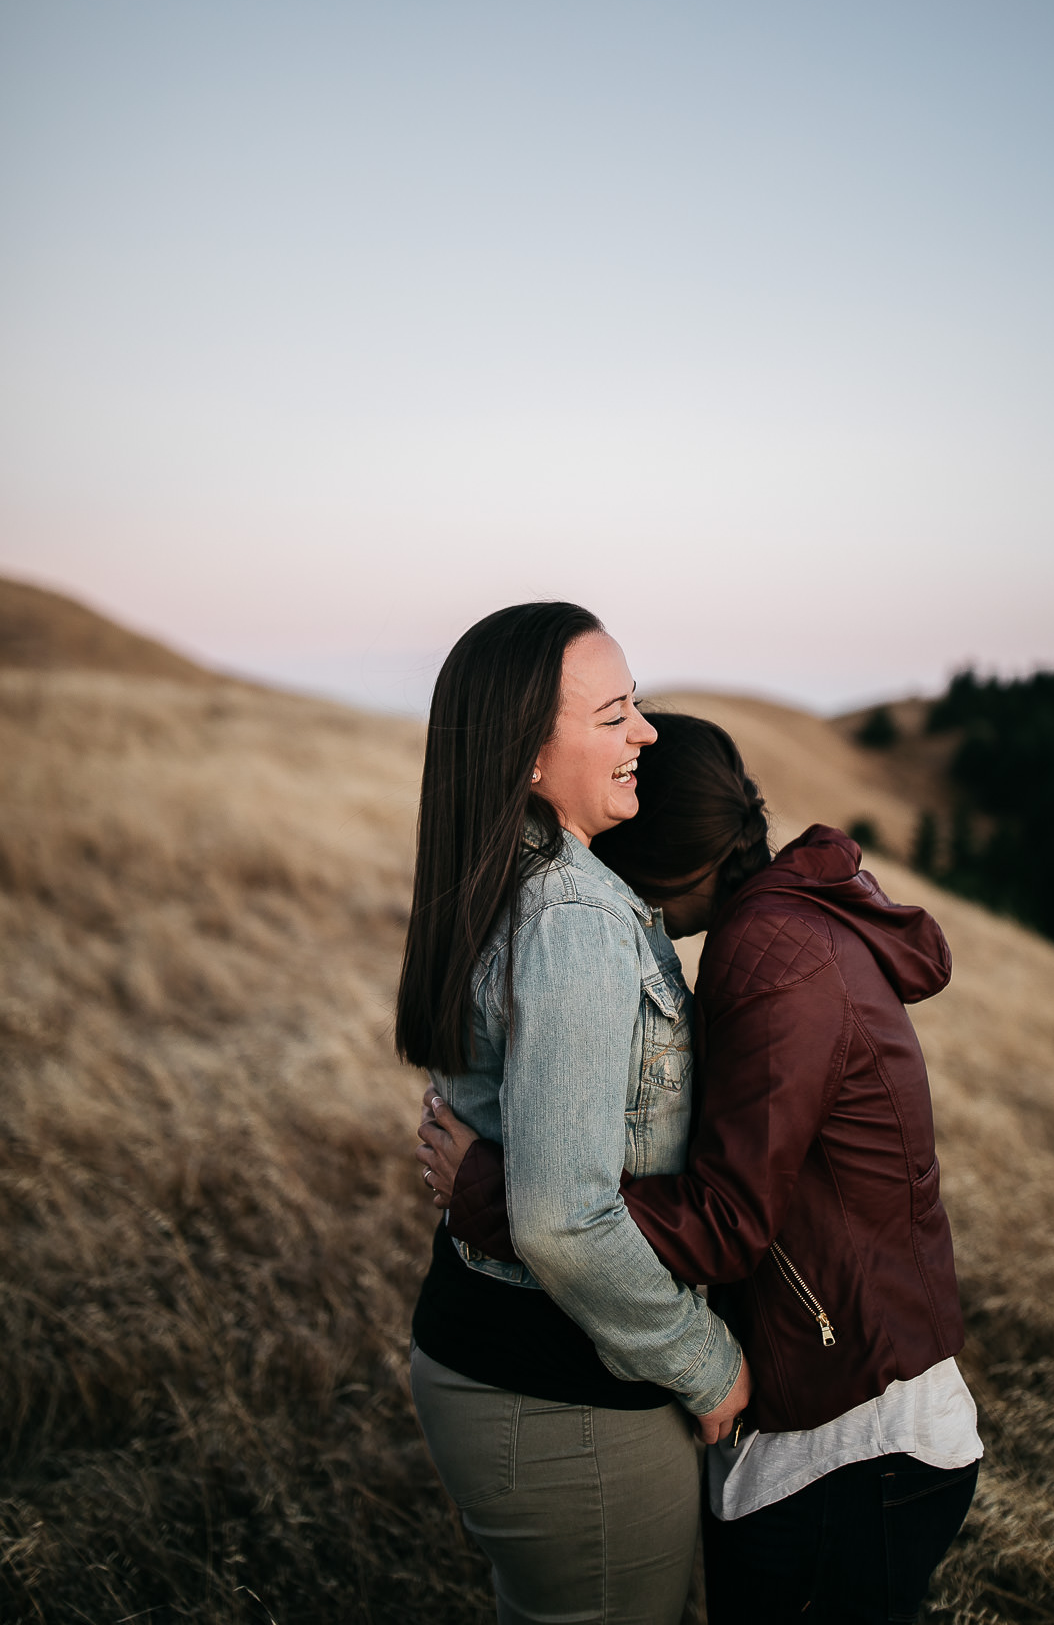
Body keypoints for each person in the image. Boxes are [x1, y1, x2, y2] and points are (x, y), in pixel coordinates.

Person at [418, 711, 982, 1625]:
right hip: (831, 1408)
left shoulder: (772, 952)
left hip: (854, 1437)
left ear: (658, 866)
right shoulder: (777, 926)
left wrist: (496, 1191)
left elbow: (727, 1219)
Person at [396, 607, 751, 1625]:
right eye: (616, 714)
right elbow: (563, 1219)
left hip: (497, 1362)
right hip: (560, 1394)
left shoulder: (502, 880)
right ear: (529, 756)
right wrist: (709, 1364)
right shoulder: (576, 919)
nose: (646, 733)